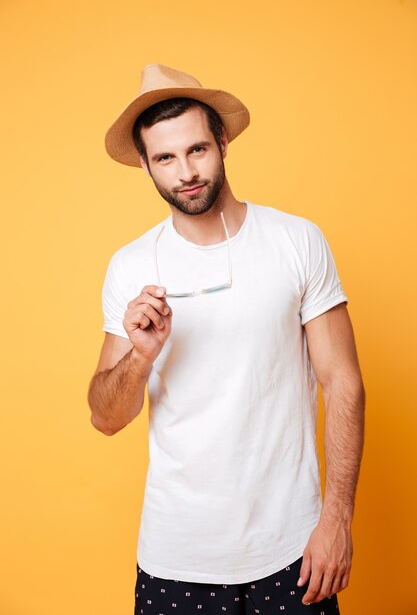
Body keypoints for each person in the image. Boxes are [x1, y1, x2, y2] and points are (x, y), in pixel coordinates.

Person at [87, 63, 366, 615]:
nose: (185, 171)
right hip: (177, 557)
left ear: (222, 143)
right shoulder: (130, 266)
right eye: (165, 158)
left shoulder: (296, 240)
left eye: (197, 150)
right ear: (145, 164)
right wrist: (140, 355)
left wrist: (336, 520)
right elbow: (105, 416)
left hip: (294, 550)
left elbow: (344, 384)